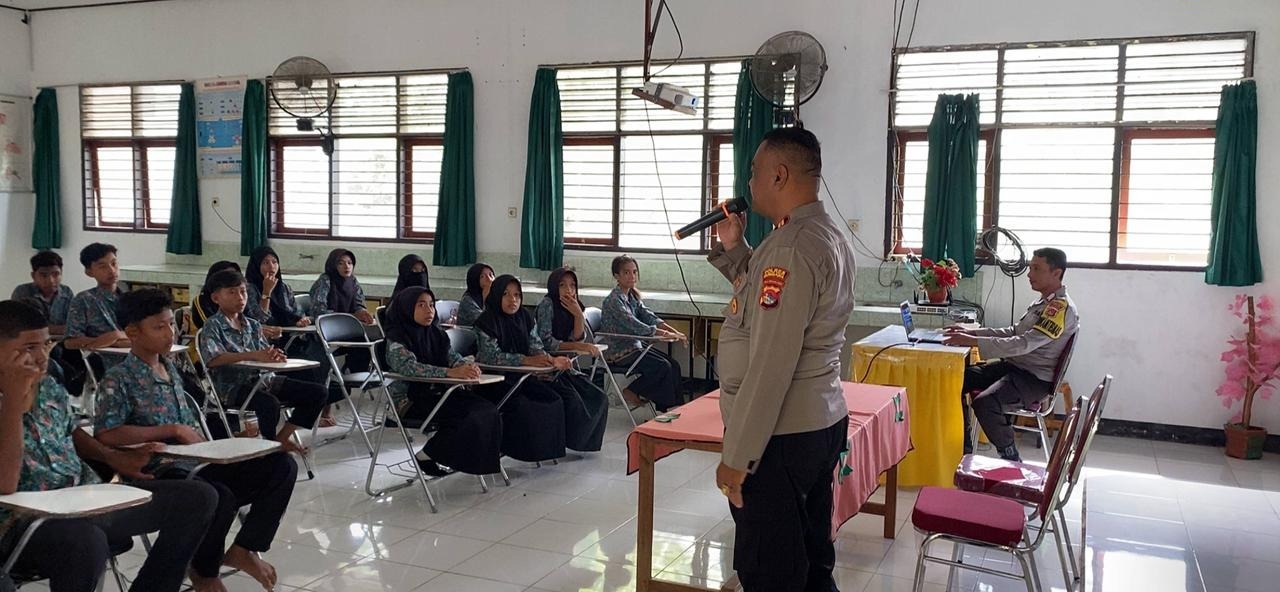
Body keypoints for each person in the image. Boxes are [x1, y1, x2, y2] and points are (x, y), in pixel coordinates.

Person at [707, 127, 856, 591]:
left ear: (779, 175)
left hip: (782, 436)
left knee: (771, 570)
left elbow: (772, 364)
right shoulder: (819, 234)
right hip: (816, 421)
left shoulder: (790, 246)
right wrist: (735, 247)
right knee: (809, 559)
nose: (749, 183)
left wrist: (738, 456)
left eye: (754, 172)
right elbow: (763, 299)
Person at [0, 299, 217, 592]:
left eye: (46, 345)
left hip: (80, 499)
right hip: (21, 522)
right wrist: (12, 403)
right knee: (85, 540)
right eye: (29, 348)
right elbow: (6, 484)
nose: (41, 357)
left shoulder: (48, 387)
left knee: (198, 497)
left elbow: (71, 432)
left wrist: (112, 457)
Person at [94, 288, 297, 592]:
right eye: (159, 327)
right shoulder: (118, 379)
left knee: (281, 465)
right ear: (132, 332)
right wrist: (171, 430)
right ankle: (205, 573)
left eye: (171, 324)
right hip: (161, 470)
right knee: (218, 495)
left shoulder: (171, 368)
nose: (169, 333)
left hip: (198, 460)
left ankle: (244, 548)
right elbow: (106, 433)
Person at [943, 247, 1080, 462]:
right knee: (955, 379)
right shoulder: (1042, 302)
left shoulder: (1059, 309)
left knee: (986, 403)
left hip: (1034, 378)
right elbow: (1014, 331)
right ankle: (964, 447)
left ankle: (1011, 459)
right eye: (1030, 268)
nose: (1029, 274)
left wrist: (973, 341)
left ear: (1056, 273)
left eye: (1037, 269)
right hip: (1015, 368)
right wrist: (972, 333)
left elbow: (1023, 344)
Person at [198, 271, 328, 454]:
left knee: (318, 392)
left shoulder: (253, 325)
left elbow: (263, 353)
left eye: (243, 291)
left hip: (265, 381)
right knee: (269, 404)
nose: (240, 297)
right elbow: (213, 359)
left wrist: (274, 355)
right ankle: (269, 450)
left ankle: (281, 439)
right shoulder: (213, 325)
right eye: (232, 292)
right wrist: (254, 355)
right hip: (233, 388)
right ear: (216, 298)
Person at [382, 287, 502, 477]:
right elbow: (410, 368)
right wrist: (450, 372)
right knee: (470, 416)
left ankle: (451, 458)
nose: (429, 310)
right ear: (406, 308)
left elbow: (452, 357)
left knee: (487, 410)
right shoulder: (397, 339)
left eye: (431, 305)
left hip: (438, 392)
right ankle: (429, 454)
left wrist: (467, 367)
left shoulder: (436, 334)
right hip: (411, 400)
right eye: (421, 305)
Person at [473, 275, 567, 462]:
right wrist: (526, 361)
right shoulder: (486, 322)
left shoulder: (524, 317)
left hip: (521, 378)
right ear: (496, 295)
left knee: (553, 399)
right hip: (495, 382)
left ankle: (545, 452)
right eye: (506, 294)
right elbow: (491, 357)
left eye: (517, 295)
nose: (513, 300)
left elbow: (535, 345)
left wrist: (549, 360)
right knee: (525, 406)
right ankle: (522, 452)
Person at [534, 266, 610, 451]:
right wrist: (578, 346)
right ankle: (573, 442)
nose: (568, 290)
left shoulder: (573, 306)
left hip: (566, 366)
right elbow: (546, 342)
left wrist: (578, 315)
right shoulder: (547, 305)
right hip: (547, 367)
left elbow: (577, 338)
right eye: (562, 285)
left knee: (599, 397)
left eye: (572, 285)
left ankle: (585, 444)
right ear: (554, 286)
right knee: (575, 401)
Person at [599, 255, 685, 411]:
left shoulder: (631, 296)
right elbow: (634, 324)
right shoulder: (613, 301)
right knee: (662, 367)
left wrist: (675, 332)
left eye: (634, 272)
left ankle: (677, 408)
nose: (632, 276)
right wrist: (663, 334)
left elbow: (648, 316)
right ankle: (635, 392)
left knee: (674, 365)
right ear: (616, 276)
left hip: (634, 346)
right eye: (626, 272)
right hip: (618, 351)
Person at [307, 248, 373, 426]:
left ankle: (353, 373)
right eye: (341, 263)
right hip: (322, 336)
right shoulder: (325, 281)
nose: (346, 266)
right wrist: (350, 316)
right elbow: (319, 311)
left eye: (350, 263)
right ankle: (321, 411)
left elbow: (358, 303)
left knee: (367, 342)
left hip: (345, 335)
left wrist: (362, 312)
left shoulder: (353, 281)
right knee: (325, 366)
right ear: (332, 265)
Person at [64, 243, 129, 367]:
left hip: (136, 357)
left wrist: (116, 336)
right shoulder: (84, 300)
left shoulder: (131, 298)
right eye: (102, 266)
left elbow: (143, 334)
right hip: (103, 362)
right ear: (89, 272)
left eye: (114, 263)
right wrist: (108, 341)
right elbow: (70, 342)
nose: (111, 270)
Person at [244, 246, 311, 331]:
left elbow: (298, 312)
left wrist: (300, 320)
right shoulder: (248, 289)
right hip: (264, 336)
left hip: (288, 333)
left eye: (274, 262)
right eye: (265, 263)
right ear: (256, 266)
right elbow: (259, 319)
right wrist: (266, 292)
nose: (271, 266)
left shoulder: (284, 288)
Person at [10, 251, 75, 335]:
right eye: (44, 275)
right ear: (33, 276)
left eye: (56, 274)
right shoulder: (23, 292)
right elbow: (23, 327)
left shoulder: (67, 292)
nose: (51, 280)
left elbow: (74, 325)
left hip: (61, 341)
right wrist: (60, 329)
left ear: (61, 273)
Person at [192, 261, 242, 330]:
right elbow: (209, 325)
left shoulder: (241, 298)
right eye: (227, 277)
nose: (232, 281)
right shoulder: (202, 300)